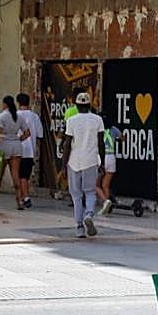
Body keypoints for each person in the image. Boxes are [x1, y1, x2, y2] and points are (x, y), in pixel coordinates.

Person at [62, 92, 105, 238]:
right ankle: (89, 214)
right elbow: (101, 143)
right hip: (91, 161)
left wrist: (63, 164)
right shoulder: (97, 120)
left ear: (77, 105)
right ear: (89, 104)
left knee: (76, 195)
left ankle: (79, 227)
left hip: (74, 161)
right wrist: (102, 162)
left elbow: (67, 144)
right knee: (90, 192)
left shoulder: (71, 121)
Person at [0, 95, 30, 211]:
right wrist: (18, 139)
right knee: (15, 175)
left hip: (3, 146)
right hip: (16, 146)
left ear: (5, 104)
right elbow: (27, 133)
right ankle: (20, 200)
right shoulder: (18, 116)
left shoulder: (1, 117)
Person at [16, 92, 44, 209]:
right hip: (29, 150)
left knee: (19, 175)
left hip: (16, 149)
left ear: (18, 103)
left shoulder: (14, 115)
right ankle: (24, 197)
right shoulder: (34, 116)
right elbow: (39, 134)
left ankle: (24, 197)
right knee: (25, 175)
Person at [96, 124, 120, 215]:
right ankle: (106, 207)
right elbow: (122, 138)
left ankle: (105, 201)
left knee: (95, 185)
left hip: (101, 157)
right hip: (111, 158)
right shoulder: (113, 129)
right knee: (105, 185)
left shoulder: (98, 129)